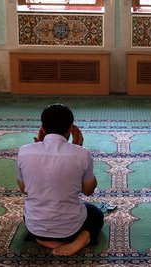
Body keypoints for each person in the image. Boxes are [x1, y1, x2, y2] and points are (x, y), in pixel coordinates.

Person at [16, 103, 104, 256]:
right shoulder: (82, 154)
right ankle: (79, 240)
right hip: (71, 229)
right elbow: (88, 191)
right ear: (71, 128)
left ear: (42, 128)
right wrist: (78, 151)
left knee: (29, 213)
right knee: (95, 213)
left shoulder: (24, 151)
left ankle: (45, 240)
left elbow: (24, 189)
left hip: (36, 226)